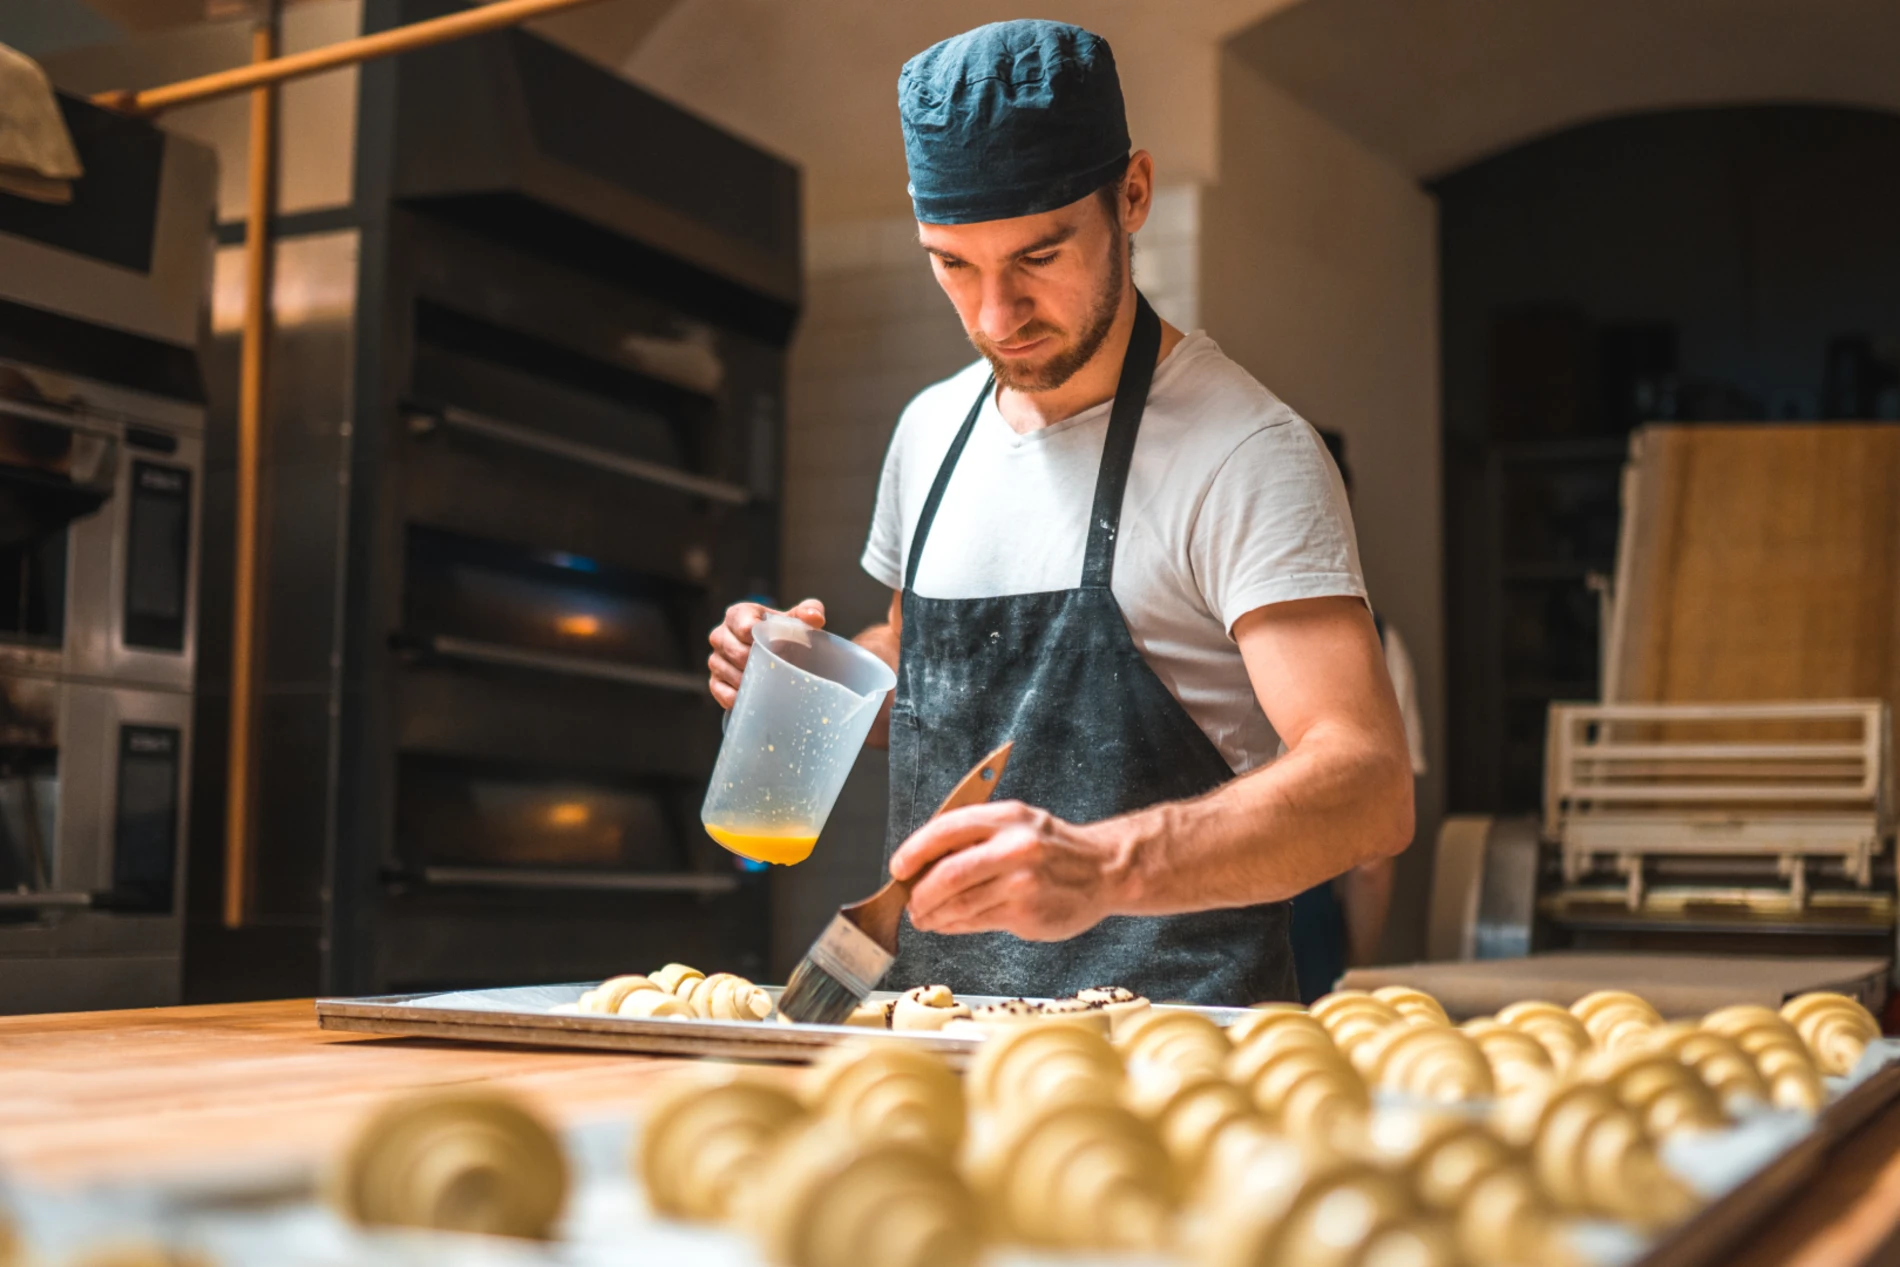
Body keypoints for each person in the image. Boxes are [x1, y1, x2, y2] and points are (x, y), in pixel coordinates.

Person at [706, 19, 1412, 1005]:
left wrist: (1107, 866)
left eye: (1038, 256)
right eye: (953, 263)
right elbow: (923, 662)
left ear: (1131, 196)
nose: (997, 316)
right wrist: (810, 671)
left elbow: (1369, 786)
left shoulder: (1246, 452)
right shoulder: (930, 433)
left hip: (1177, 1064)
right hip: (938, 1044)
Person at [1287, 430, 1430, 1003]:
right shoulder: (1378, 645)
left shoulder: (1186, 630)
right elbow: (1374, 849)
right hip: (1313, 921)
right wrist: (1356, 966)